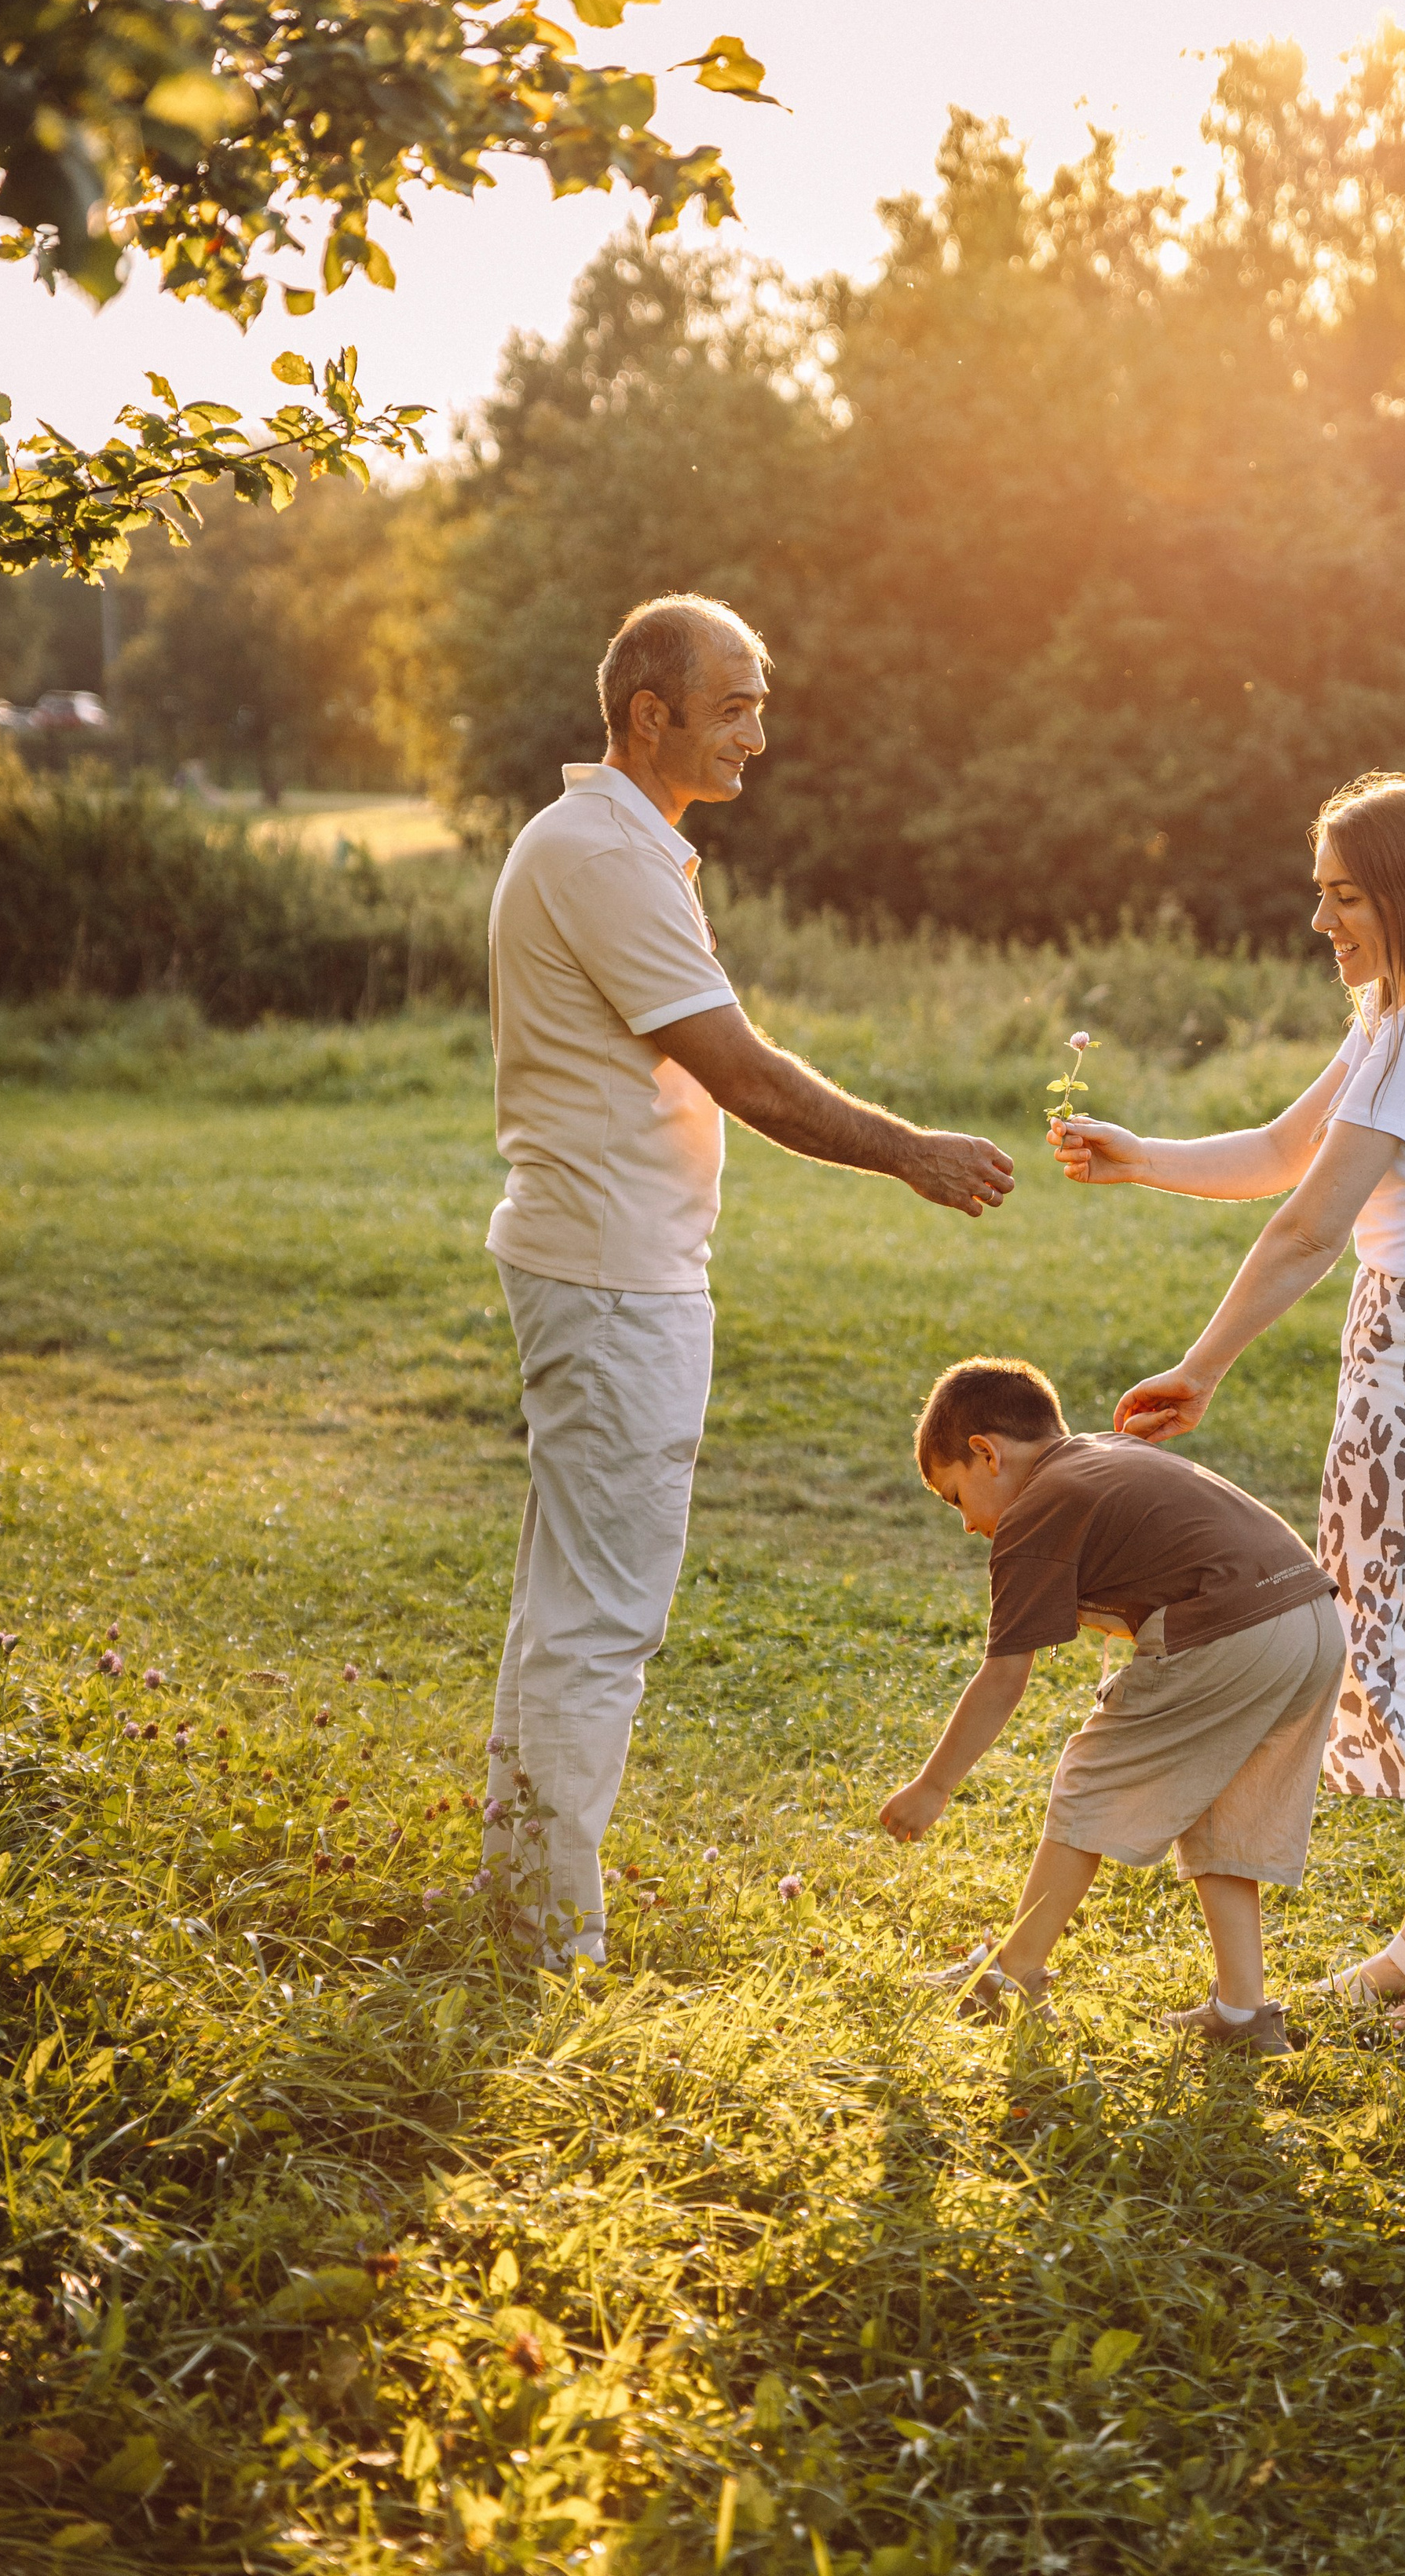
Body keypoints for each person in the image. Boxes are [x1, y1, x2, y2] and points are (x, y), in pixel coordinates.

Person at [479, 593, 1015, 1969]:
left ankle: (521, 1902)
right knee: (602, 1617)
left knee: (569, 1604)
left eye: (761, 703)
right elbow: (748, 1072)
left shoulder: (612, 843)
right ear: (647, 713)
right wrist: (911, 1153)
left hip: (605, 1262)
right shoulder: (603, 853)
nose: (760, 736)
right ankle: (551, 1945)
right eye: (735, 706)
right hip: (613, 1280)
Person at [1051, 770, 1405, 2047]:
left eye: (1344, 896)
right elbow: (1283, 1155)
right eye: (1320, 894)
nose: (1322, 921)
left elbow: (1308, 1225)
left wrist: (1203, 1364)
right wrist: (1144, 1161)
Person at [878, 1355, 1344, 2055]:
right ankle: (1245, 2012)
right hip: (1312, 1617)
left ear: (986, 1453)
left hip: (1229, 1627)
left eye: (955, 1498)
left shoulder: (1035, 1509)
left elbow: (1004, 1676)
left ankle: (1011, 1976)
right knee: (1221, 1811)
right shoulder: (1102, 1452)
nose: (968, 1526)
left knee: (1089, 1781)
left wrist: (934, 1785)